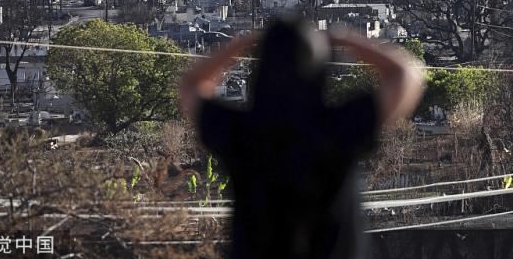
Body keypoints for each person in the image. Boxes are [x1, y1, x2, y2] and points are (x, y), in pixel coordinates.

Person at [179, 19, 424, 259]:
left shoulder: (241, 132)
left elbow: (190, 85)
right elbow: (406, 75)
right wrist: (344, 39)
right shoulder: (338, 128)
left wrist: (242, 44)